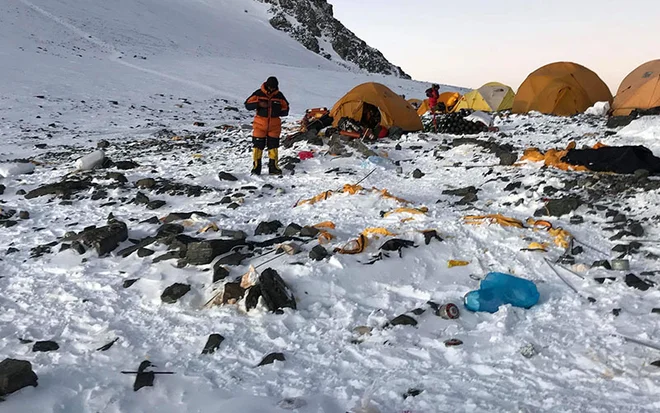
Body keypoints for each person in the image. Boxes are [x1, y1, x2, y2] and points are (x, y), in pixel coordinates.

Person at [244, 76, 289, 175]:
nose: (272, 89)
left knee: (273, 147)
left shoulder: (279, 96)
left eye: (274, 87)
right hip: (260, 125)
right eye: (270, 87)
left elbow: (286, 110)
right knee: (258, 146)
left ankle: (273, 168)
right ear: (267, 85)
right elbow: (247, 105)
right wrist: (259, 104)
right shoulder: (258, 94)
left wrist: (276, 110)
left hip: (274, 125)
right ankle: (256, 168)